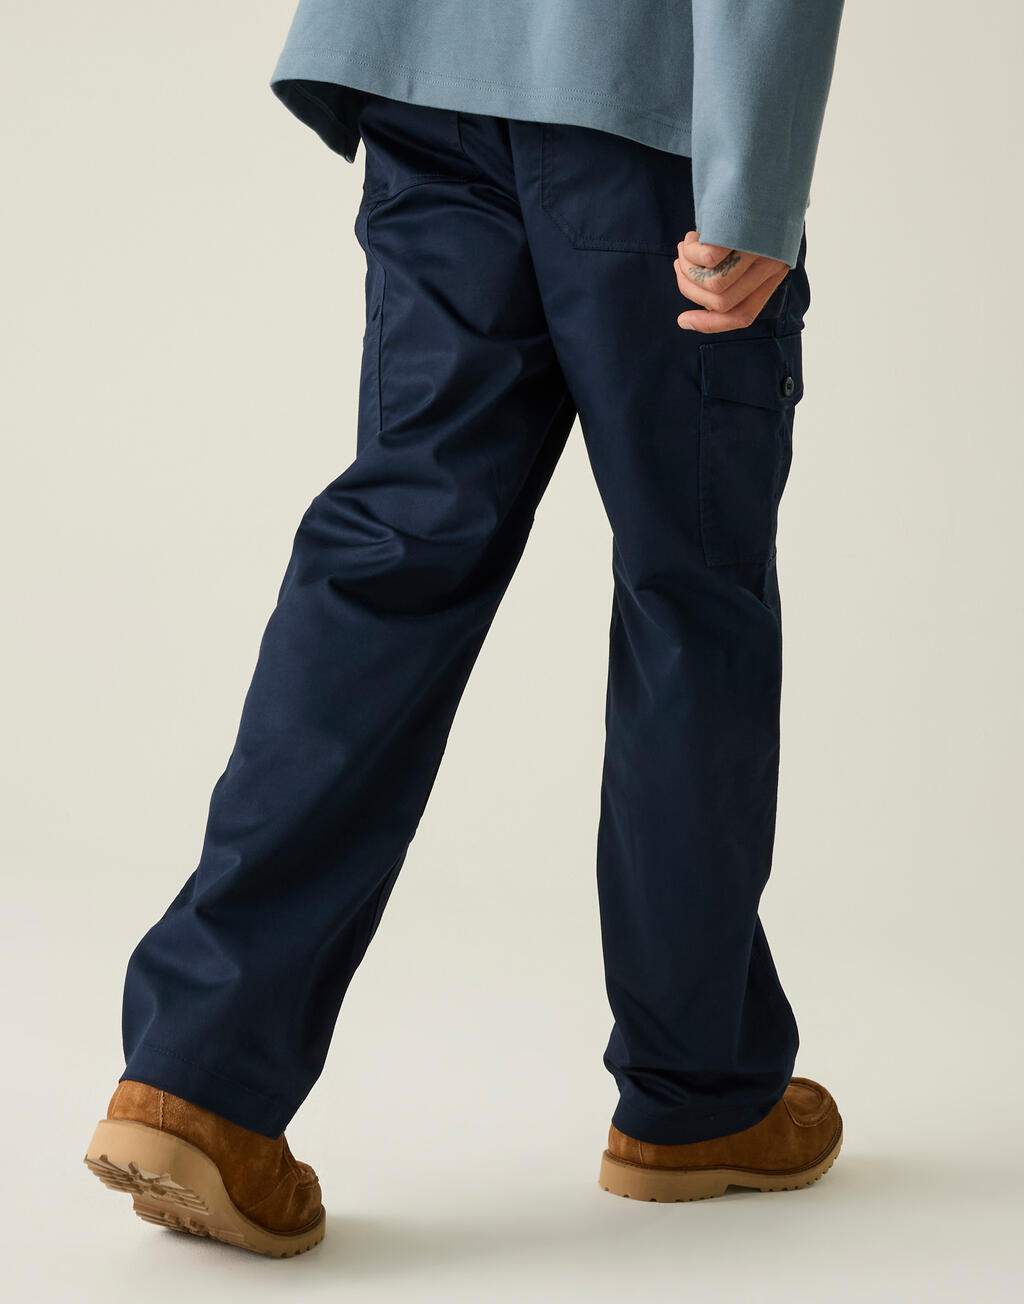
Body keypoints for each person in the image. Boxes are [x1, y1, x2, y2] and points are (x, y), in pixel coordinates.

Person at [84, 0, 847, 1256]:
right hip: (644, 110)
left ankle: (197, 1077)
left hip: (426, 72)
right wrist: (753, 177)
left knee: (392, 554)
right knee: (689, 596)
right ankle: (697, 1086)